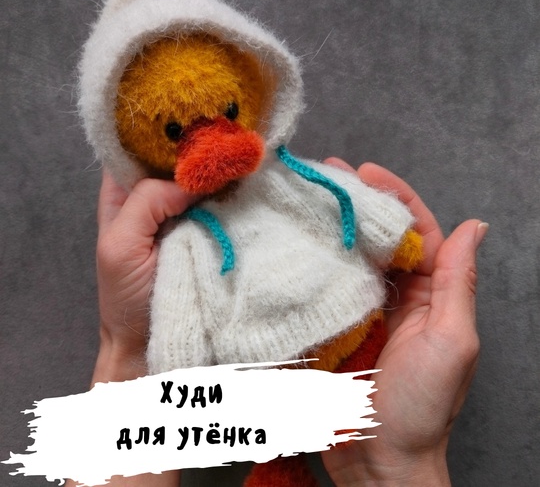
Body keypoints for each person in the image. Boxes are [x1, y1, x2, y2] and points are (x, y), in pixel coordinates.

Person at [67, 159, 485, 487]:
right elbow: (178, 317)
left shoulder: (284, 178)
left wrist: (395, 239)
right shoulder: (188, 239)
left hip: (351, 325)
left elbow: (348, 201)